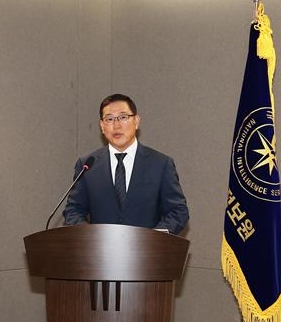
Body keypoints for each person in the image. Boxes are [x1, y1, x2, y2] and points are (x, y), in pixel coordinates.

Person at [63, 93, 189, 235]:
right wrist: (91, 236)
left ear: (136, 121)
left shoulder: (160, 164)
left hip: (147, 252)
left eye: (123, 117)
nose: (116, 125)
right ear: (102, 126)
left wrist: (154, 238)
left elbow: (178, 211)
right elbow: (73, 210)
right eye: (109, 119)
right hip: (99, 252)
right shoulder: (87, 165)